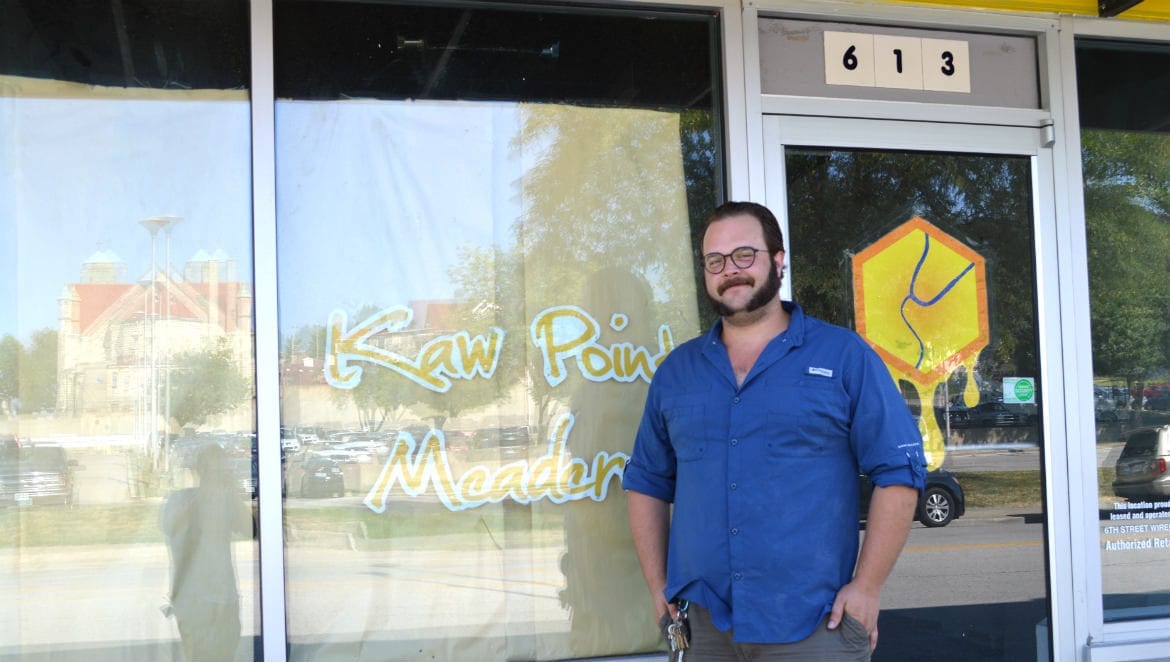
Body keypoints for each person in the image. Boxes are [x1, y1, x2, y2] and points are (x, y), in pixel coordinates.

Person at [622, 201, 926, 660]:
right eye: (715, 261)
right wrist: (656, 585)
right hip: (701, 625)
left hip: (814, 624)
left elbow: (899, 472)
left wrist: (868, 587)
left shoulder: (843, 356)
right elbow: (646, 481)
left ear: (778, 260)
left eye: (745, 255)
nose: (731, 271)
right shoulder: (676, 372)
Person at [160, 443, 253, 661]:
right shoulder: (179, 499)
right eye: (212, 471)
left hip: (225, 597)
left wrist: (232, 491)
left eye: (221, 470)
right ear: (199, 471)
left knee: (225, 655)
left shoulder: (227, 500)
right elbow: (170, 526)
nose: (216, 476)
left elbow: (251, 529)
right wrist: (204, 494)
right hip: (192, 599)